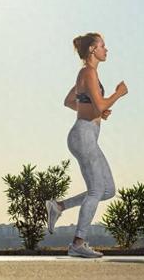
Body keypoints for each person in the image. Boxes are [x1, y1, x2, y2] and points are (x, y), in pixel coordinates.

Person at [45, 32, 128, 258]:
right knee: (96, 190)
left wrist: (97, 110)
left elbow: (70, 101)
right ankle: (78, 243)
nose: (106, 49)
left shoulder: (86, 74)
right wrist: (118, 94)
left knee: (108, 190)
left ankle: (59, 206)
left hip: (85, 134)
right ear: (92, 49)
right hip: (83, 135)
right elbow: (99, 104)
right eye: (102, 46)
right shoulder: (88, 72)